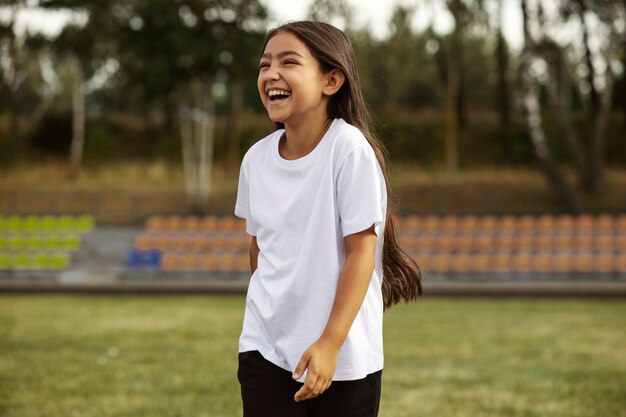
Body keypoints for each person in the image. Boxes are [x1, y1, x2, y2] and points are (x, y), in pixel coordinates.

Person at [234, 21, 422, 417]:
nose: (270, 74)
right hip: (264, 348)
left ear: (331, 80)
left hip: (344, 357)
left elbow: (360, 255)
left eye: (289, 62)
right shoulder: (254, 160)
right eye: (264, 64)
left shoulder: (348, 149)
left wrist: (330, 343)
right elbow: (258, 247)